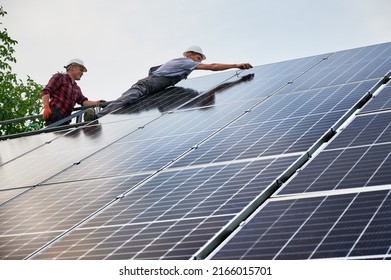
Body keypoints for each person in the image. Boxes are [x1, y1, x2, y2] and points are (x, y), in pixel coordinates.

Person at [84, 46, 252, 121]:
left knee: (130, 108)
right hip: (149, 84)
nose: (198, 62)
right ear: (190, 55)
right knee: (126, 100)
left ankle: (102, 115)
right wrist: (235, 65)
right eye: (198, 58)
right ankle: (95, 117)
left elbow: (214, 93)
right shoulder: (185, 62)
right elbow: (212, 67)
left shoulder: (184, 67)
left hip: (155, 90)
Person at [41, 58, 105, 125]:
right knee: (55, 134)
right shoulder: (60, 77)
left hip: (66, 119)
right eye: (81, 70)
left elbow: (84, 102)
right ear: (73, 68)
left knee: (67, 133)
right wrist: (46, 107)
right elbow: (46, 91)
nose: (82, 73)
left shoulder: (76, 88)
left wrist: (97, 102)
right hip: (55, 113)